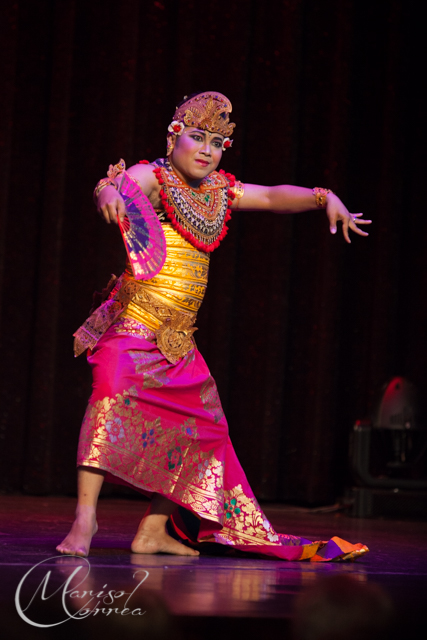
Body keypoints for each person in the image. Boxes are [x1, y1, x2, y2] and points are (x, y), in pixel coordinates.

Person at [57, 92, 370, 559]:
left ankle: (153, 530)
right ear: (174, 136)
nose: (207, 150)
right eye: (198, 137)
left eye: (218, 142)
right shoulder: (155, 177)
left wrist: (325, 197)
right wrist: (108, 194)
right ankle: (85, 520)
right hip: (133, 324)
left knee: (198, 431)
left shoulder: (219, 192)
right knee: (108, 401)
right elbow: (119, 184)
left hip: (178, 340)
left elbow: (269, 196)